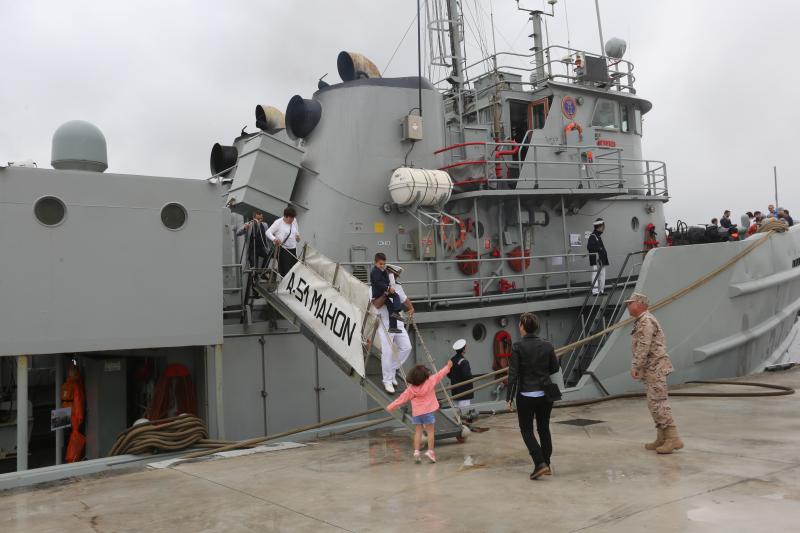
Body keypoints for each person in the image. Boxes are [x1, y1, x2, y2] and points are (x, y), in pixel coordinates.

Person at [626, 292, 683, 454]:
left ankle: (673, 438)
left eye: (630, 303)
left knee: (658, 402)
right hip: (652, 368)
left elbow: (644, 346)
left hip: (655, 368)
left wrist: (636, 366)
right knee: (654, 403)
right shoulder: (642, 321)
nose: (627, 306)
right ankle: (662, 437)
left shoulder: (646, 321)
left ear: (639, 304)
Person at [506, 312, 559, 480]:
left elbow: (513, 374)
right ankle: (547, 464)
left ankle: (539, 463)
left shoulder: (517, 346)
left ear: (522, 327)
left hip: (526, 394)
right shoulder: (547, 345)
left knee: (526, 430)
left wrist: (509, 397)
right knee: (543, 428)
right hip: (545, 393)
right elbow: (554, 368)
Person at [387, 361, 453, 463]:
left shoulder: (411, 389)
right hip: (428, 412)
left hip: (417, 413)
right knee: (430, 432)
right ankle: (430, 451)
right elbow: (440, 374)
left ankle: (416, 452)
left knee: (418, 432)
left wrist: (391, 406)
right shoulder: (430, 381)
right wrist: (448, 367)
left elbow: (401, 399)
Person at [374, 263, 414, 394]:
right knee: (387, 351)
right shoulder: (376, 285)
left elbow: (404, 299)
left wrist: (411, 307)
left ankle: (391, 370)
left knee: (406, 347)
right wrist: (386, 293)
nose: (395, 277)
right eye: (393, 275)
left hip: (397, 320)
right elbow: (376, 305)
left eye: (396, 276)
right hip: (385, 322)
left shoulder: (397, 286)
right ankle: (387, 381)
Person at [370, 253, 404, 334]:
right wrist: (388, 288)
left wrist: (389, 286)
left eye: (384, 264)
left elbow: (387, 281)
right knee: (396, 296)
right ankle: (397, 311)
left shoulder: (384, 271)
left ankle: (393, 327)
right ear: (375, 263)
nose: (382, 265)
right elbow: (377, 283)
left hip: (384, 290)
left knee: (390, 306)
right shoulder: (375, 271)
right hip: (378, 292)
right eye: (380, 264)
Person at [265, 206, 300, 276]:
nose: (292, 220)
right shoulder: (278, 222)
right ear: (286, 216)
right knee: (285, 270)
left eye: (293, 218)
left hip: (293, 248)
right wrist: (274, 239)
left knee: (294, 269)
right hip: (283, 249)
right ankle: (285, 284)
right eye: (291, 218)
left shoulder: (294, 221)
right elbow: (268, 232)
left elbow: (296, 231)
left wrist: (298, 236)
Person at [448, 339, 474, 410]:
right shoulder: (464, 362)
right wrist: (471, 377)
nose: (466, 348)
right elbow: (466, 376)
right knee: (465, 412)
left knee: (457, 413)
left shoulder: (452, 360)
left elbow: (448, 374)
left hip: (455, 392)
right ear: (463, 349)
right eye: (465, 347)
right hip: (464, 393)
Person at [587, 218, 609, 295]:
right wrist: (599, 248)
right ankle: (595, 291)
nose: (603, 228)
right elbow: (590, 247)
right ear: (598, 226)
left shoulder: (597, 236)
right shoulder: (593, 236)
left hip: (601, 260)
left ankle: (601, 290)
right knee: (595, 274)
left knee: (602, 275)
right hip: (597, 260)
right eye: (602, 226)